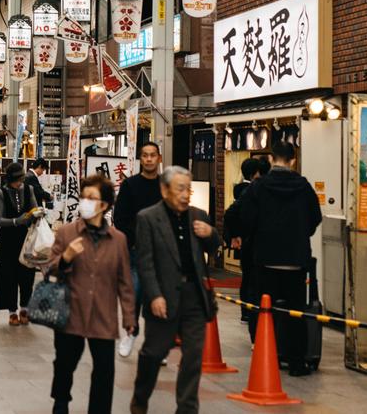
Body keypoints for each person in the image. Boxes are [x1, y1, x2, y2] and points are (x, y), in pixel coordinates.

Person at [130, 166, 220, 414]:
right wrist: (154, 295)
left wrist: (210, 233)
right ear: (164, 189)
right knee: (153, 354)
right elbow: (145, 262)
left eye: (188, 189)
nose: (185, 194)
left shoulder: (198, 215)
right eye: (180, 188)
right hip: (163, 296)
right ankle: (139, 402)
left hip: (194, 297)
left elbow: (215, 248)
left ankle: (187, 409)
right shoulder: (148, 218)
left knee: (193, 357)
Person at [48, 175, 135, 414]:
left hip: (102, 315)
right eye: (83, 197)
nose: (86, 202)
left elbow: (125, 282)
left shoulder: (118, 240)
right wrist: (65, 257)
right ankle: (61, 401)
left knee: (104, 371)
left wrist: (129, 318)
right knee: (65, 364)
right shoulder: (67, 233)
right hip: (70, 312)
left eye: (92, 198)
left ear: (105, 205)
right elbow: (49, 266)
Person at [240, 142, 322, 376]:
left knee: (265, 311)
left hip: (266, 259)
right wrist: (298, 235)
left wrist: (258, 238)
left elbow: (247, 219)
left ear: (271, 158)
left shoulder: (258, 187)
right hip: (295, 260)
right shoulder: (304, 186)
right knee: (296, 313)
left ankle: (268, 358)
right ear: (293, 160)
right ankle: (297, 363)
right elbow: (315, 217)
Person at [112, 142, 163, 358]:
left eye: (153, 155)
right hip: (135, 249)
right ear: (140, 159)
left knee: (159, 296)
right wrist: (134, 240)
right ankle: (131, 332)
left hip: (161, 250)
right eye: (145, 155)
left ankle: (157, 344)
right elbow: (120, 218)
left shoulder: (166, 186)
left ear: (159, 158)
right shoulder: (130, 185)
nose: (149, 159)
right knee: (135, 293)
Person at [0, 162, 43, 325]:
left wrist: (38, 213)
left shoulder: (28, 190)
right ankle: (12, 311)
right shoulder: (1, 193)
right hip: (8, 240)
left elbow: (35, 208)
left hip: (26, 238)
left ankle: (25, 309)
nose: (19, 183)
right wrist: (16, 221)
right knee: (9, 276)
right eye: (16, 180)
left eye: (21, 179)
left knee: (27, 275)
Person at [224, 157, 263, 330]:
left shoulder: (238, 188)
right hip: (249, 240)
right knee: (250, 279)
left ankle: (245, 313)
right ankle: (249, 312)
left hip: (242, 239)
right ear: (256, 173)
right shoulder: (251, 190)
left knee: (245, 277)